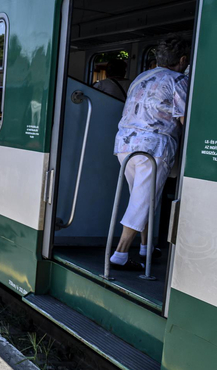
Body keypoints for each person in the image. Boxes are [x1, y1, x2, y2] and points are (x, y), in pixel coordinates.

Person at [109, 36, 190, 271]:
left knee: (143, 197)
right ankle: (120, 255)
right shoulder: (178, 80)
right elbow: (186, 119)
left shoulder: (140, 78)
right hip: (154, 149)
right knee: (143, 201)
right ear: (183, 60)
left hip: (125, 145)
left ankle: (146, 248)